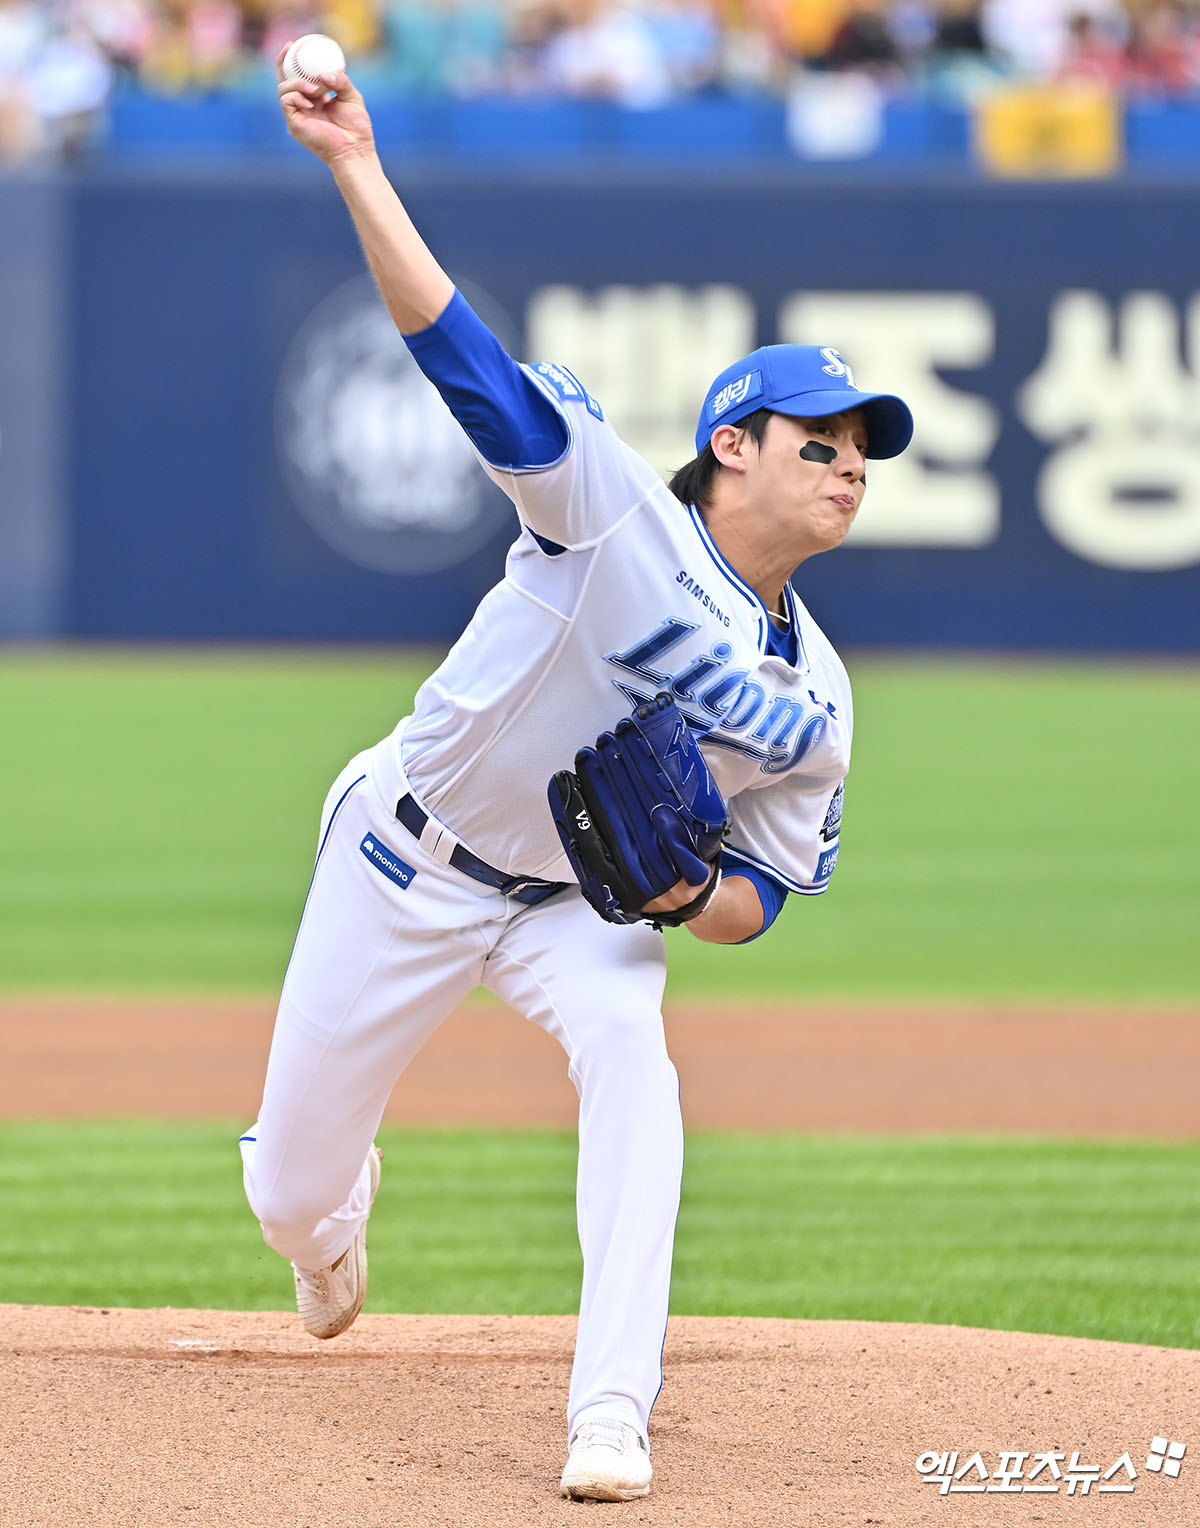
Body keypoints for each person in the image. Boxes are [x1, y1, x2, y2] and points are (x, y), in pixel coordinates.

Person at [239, 51, 914, 1503]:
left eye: (866, 452)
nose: (852, 468)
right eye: (824, 442)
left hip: (576, 905)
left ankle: (611, 1414)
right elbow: (466, 364)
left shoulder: (820, 701)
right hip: (406, 856)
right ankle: (325, 1217)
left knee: (638, 1071)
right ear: (731, 446)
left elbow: (762, 899)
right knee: (286, 1190)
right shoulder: (612, 512)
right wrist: (356, 161)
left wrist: (686, 889)